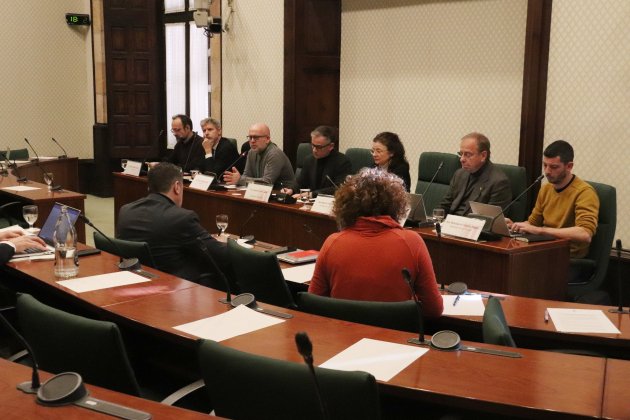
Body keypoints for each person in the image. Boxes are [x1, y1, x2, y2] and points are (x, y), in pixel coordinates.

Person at [308, 168, 443, 316]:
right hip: (394, 336)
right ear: (396, 204)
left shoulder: (332, 243)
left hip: (342, 336)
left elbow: (314, 303)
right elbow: (434, 309)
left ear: (347, 205)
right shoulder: (412, 242)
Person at [117, 162, 228, 282]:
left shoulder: (126, 210)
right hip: (175, 287)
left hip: (135, 281)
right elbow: (220, 255)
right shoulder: (182, 218)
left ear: (149, 187)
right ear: (177, 187)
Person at [509, 140, 599, 260]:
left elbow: (585, 234)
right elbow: (533, 223)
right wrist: (514, 226)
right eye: (545, 165)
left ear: (569, 166)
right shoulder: (546, 189)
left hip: (569, 258)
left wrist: (541, 231)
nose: (547, 171)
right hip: (543, 251)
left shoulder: (585, 192)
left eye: (554, 167)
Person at [440, 132, 511, 215]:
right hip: (449, 223)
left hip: (472, 226)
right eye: (461, 154)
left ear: (483, 156)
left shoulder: (498, 182)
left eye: (468, 154)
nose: (462, 159)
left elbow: (491, 220)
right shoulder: (459, 174)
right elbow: (445, 205)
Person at [281, 126, 351, 198]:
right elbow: (300, 182)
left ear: (331, 146)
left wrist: (311, 194)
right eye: (313, 145)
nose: (314, 150)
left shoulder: (342, 162)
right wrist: (291, 189)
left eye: (319, 147)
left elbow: (338, 188)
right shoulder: (309, 160)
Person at [223, 123, 297, 190]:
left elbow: (267, 183)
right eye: (250, 137)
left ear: (267, 139)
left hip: (282, 195)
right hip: (261, 193)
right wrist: (240, 179)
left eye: (256, 137)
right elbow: (246, 176)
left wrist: (240, 180)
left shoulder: (274, 154)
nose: (252, 141)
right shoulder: (251, 152)